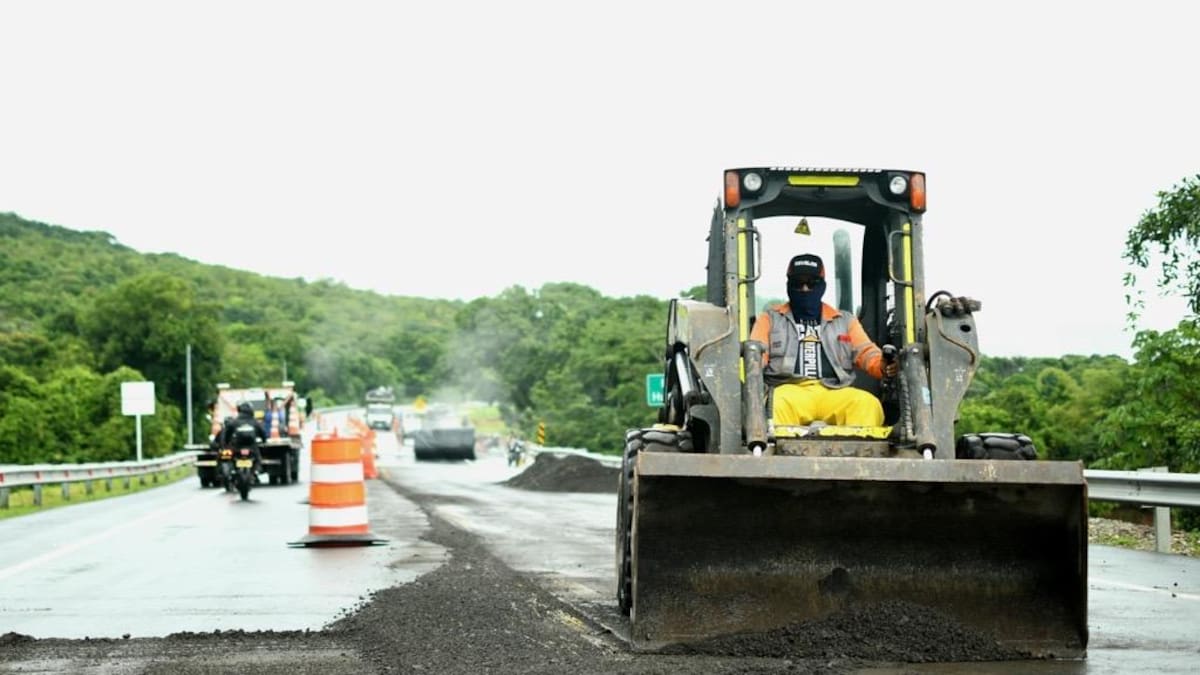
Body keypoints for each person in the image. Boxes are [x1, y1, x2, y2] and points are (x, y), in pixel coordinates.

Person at [748, 253, 898, 427]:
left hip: (834, 391)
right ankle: (779, 454)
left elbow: (866, 352)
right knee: (773, 406)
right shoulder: (770, 319)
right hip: (789, 390)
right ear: (788, 285)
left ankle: (857, 454)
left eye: (811, 284)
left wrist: (884, 365)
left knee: (867, 405)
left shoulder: (844, 321)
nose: (804, 289)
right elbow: (756, 356)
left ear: (823, 286)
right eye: (798, 283)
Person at [220, 402, 268, 472]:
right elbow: (262, 433)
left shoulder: (235, 422)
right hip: (251, 446)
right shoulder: (254, 422)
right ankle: (256, 470)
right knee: (258, 458)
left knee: (231, 457)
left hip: (238, 446)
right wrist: (264, 441)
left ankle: (234, 470)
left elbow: (227, 433)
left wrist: (226, 443)